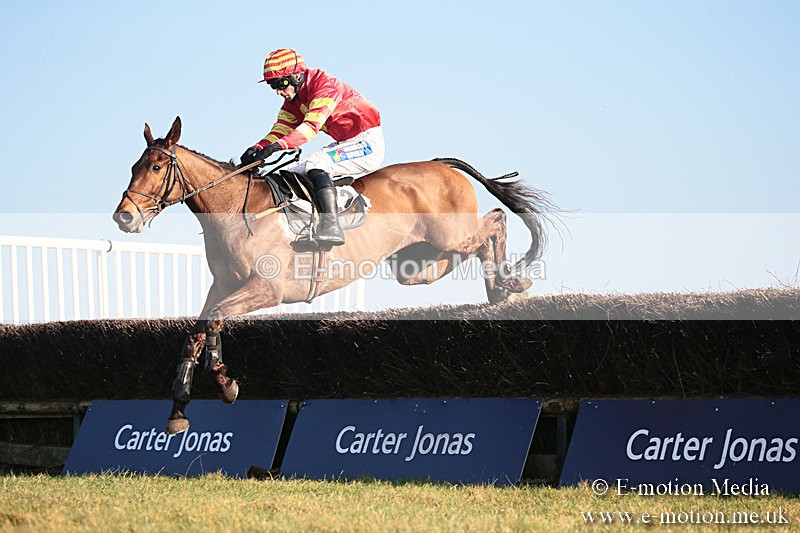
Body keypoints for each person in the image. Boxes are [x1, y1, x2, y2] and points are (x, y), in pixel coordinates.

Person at [241, 49, 384, 246]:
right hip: (344, 142)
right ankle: (307, 225)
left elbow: (310, 127)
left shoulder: (325, 86)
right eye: (272, 85)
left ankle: (332, 226)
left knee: (317, 165)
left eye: (280, 83)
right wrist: (258, 148)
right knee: (289, 172)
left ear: (296, 76)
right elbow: (281, 129)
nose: (278, 91)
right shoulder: (292, 101)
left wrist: (276, 147)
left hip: (366, 142)